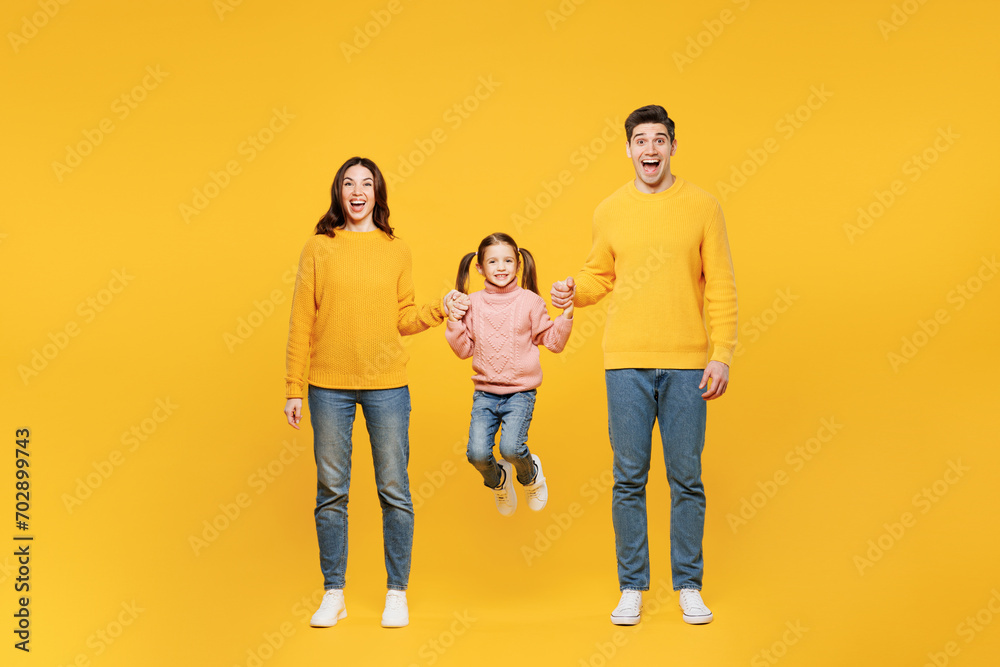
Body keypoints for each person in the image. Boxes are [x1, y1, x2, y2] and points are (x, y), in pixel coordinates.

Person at [551, 105, 738, 626]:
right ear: (628, 149)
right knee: (628, 480)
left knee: (686, 479)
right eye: (641, 140)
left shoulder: (703, 206)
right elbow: (598, 277)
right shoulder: (609, 210)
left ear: (672, 147)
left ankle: (689, 585)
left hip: (687, 366)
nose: (650, 150)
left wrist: (720, 353)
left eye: (660, 140)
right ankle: (632, 586)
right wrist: (572, 291)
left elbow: (721, 285)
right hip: (626, 364)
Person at [283, 156, 454, 629]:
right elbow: (301, 320)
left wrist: (440, 309)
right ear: (338, 193)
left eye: (366, 184)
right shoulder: (318, 247)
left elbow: (403, 317)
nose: (357, 192)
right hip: (327, 385)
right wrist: (293, 387)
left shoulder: (396, 249)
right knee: (332, 490)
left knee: (394, 488)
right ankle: (333, 593)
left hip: (387, 386)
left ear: (378, 194)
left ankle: (396, 592)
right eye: (348, 184)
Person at [444, 233, 573, 516]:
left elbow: (553, 342)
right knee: (477, 454)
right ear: (479, 267)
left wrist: (565, 317)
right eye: (493, 261)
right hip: (485, 394)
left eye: (508, 261)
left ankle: (530, 475)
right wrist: (453, 322)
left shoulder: (530, 302)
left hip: (520, 393)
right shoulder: (472, 304)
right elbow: (464, 350)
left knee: (512, 449)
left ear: (518, 265)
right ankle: (499, 481)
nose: (501, 267)